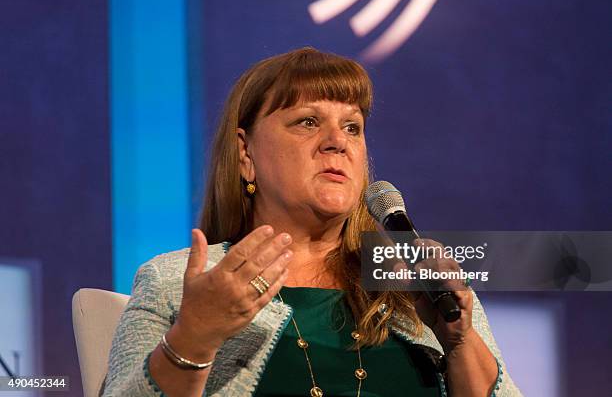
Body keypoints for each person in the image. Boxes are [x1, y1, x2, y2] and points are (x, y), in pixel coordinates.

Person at [103, 47, 521, 396]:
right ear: (245, 154)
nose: (337, 142)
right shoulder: (175, 283)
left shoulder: (421, 286)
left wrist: (459, 340)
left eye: (352, 127)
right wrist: (193, 336)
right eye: (307, 122)